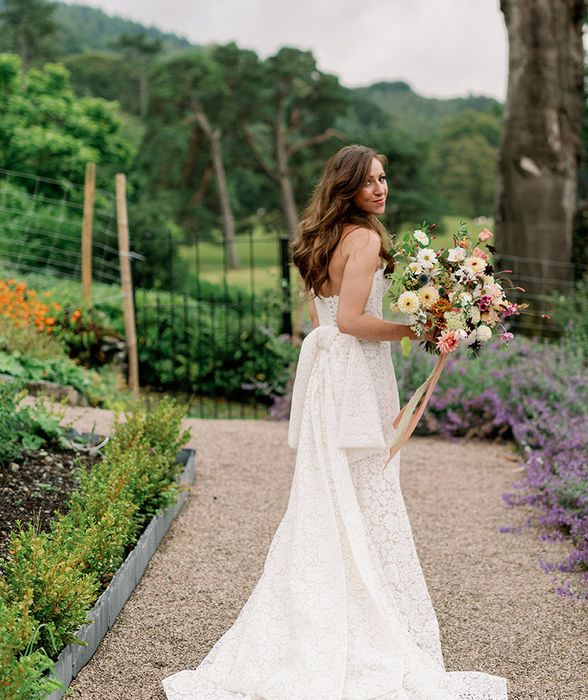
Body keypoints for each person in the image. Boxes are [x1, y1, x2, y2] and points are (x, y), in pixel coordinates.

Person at [162, 144, 508, 699]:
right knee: (365, 493)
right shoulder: (366, 239)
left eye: (384, 178)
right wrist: (417, 329)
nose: (381, 189)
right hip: (355, 375)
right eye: (369, 181)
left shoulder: (322, 240)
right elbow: (350, 321)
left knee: (332, 496)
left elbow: (325, 320)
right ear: (345, 187)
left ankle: (327, 613)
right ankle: (356, 625)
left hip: (331, 376)